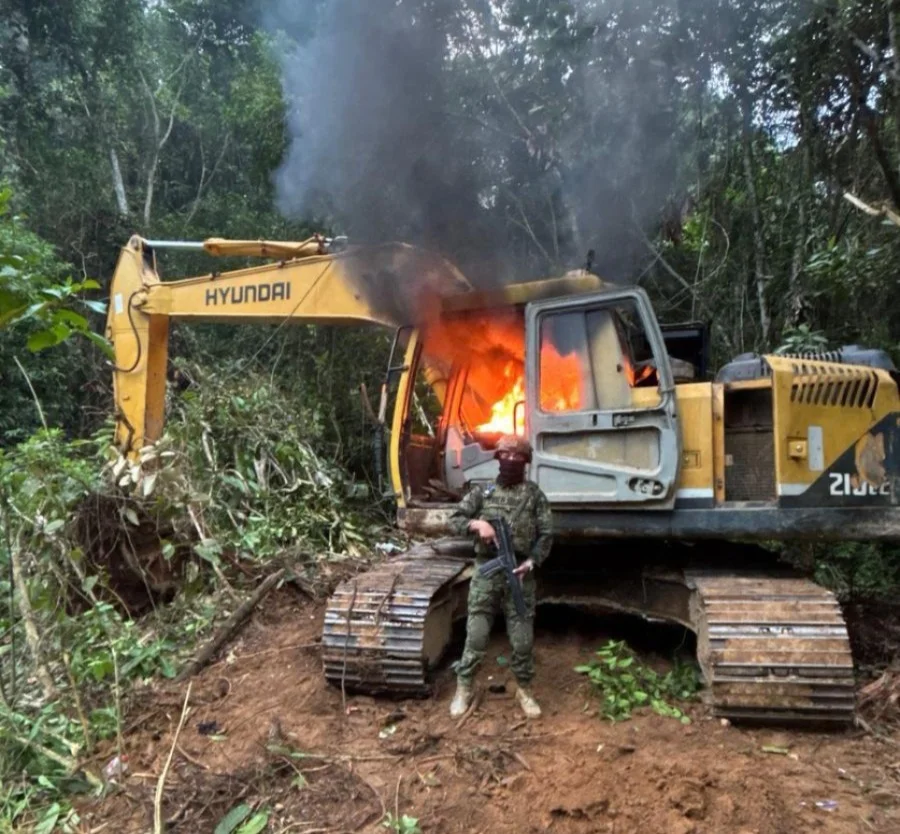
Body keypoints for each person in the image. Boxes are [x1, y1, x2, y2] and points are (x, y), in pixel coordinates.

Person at [448, 434, 553, 719]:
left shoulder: (533, 495)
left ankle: (524, 688)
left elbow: (546, 535)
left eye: (517, 457)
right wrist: (477, 524)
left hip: (519, 574)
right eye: (505, 456)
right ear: (497, 459)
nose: (510, 461)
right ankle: (465, 686)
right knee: (477, 635)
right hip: (487, 570)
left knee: (522, 639)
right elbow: (454, 519)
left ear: (525, 462)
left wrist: (530, 562)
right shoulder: (483, 493)